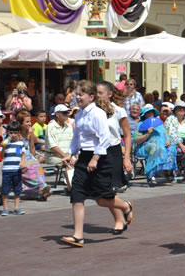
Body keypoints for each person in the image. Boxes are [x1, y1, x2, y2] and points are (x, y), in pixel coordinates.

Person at [60, 80, 134, 247]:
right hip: (84, 157)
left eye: (81, 94)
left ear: (90, 97)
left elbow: (105, 138)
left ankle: (125, 206)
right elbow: (77, 137)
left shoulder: (98, 113)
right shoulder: (79, 114)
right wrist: (70, 153)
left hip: (102, 157)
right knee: (77, 193)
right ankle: (78, 236)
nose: (77, 97)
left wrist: (95, 158)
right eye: (76, 94)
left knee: (101, 198)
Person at [97, 81, 133, 195]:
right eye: (96, 92)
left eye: (100, 93)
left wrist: (126, 158)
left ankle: (124, 208)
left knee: (111, 189)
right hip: (96, 151)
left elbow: (127, 136)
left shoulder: (119, 111)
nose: (97, 95)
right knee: (100, 190)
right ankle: (124, 208)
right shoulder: (92, 111)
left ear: (109, 94)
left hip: (113, 150)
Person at [134, 106, 177, 185]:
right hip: (145, 146)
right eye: (148, 113)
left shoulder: (159, 124)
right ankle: (150, 175)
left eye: (152, 112)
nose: (151, 114)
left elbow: (166, 135)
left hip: (162, 145)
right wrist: (147, 134)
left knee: (172, 148)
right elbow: (136, 140)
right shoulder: (140, 125)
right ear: (144, 115)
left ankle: (169, 173)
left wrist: (168, 140)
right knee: (154, 148)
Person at [17, 111, 51, 201]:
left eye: (29, 121)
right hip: (19, 156)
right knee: (30, 169)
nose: (29, 123)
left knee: (37, 166)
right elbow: (16, 149)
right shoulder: (16, 134)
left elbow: (32, 147)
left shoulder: (30, 132)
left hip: (29, 156)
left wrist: (34, 158)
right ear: (21, 123)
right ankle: (41, 188)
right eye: (27, 122)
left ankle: (42, 187)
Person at [165, 101, 185, 180]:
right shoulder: (170, 120)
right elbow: (172, 135)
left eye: (183, 108)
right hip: (174, 144)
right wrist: (181, 145)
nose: (181, 110)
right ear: (175, 110)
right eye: (179, 108)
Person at [44, 104, 74, 192]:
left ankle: (79, 187)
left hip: (67, 155)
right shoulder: (50, 127)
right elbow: (53, 146)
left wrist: (69, 155)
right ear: (57, 114)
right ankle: (71, 189)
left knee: (81, 162)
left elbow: (72, 143)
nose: (67, 115)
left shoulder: (68, 126)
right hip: (53, 156)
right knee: (68, 164)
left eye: (68, 113)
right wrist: (66, 156)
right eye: (64, 113)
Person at [0, 121, 27, 216]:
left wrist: (23, 162)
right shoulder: (5, 143)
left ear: (19, 132)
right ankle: (5, 208)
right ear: (7, 132)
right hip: (6, 169)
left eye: (15, 133)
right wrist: (3, 147)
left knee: (17, 190)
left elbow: (23, 155)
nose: (13, 135)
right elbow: (1, 156)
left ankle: (16, 207)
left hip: (17, 169)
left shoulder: (20, 143)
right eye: (11, 133)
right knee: (5, 190)